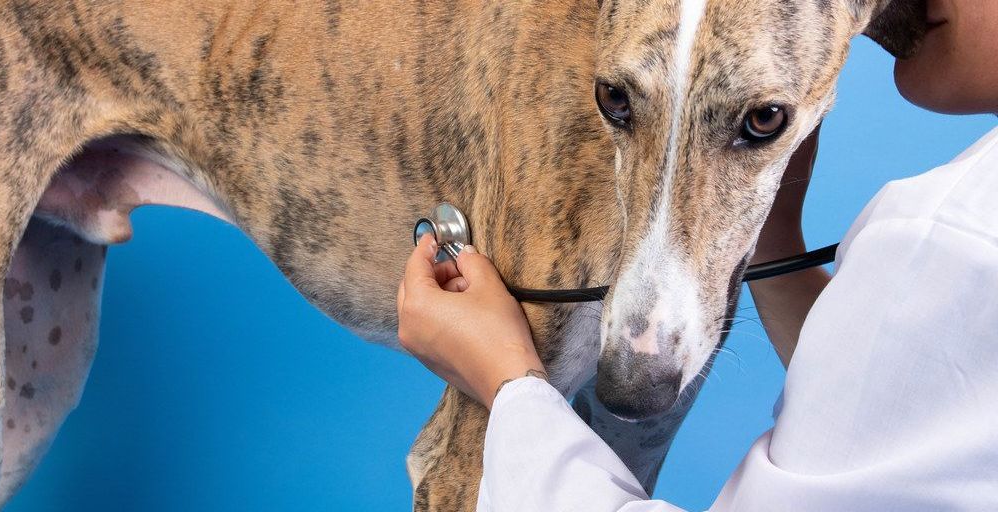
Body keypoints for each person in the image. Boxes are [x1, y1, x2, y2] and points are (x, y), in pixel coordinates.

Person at [396, 1, 998, 510]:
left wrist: (507, 386)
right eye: (617, 101)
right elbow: (899, 404)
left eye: (761, 119)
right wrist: (776, 235)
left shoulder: (951, 232)